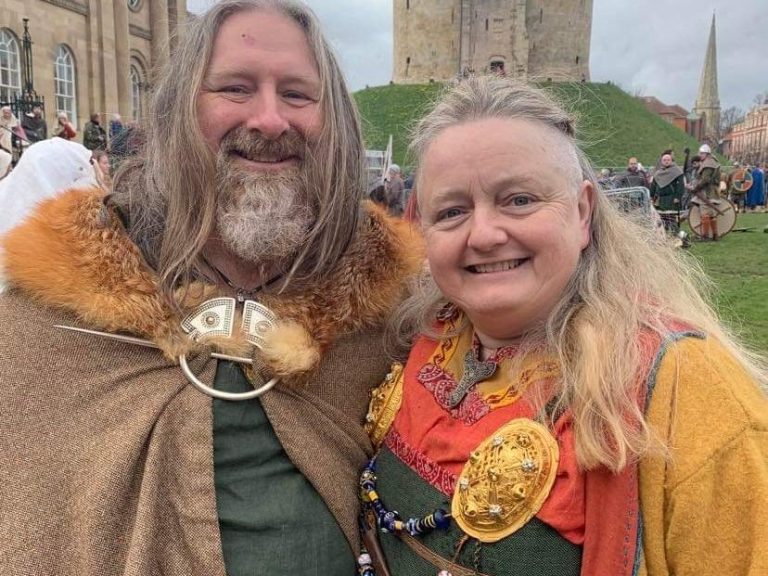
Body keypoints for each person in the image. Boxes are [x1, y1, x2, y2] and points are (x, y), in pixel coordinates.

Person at [0, 1, 421, 574]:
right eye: (235, 88)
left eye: (297, 94)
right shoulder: (48, 320)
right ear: (178, 111)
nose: (270, 120)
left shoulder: (393, 316)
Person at [359, 77, 768, 576]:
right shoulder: (417, 334)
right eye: (452, 211)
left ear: (582, 213)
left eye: (519, 200)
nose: (483, 235)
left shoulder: (690, 390)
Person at [687, 144, 722, 240]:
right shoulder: (711, 162)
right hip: (710, 191)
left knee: (705, 214)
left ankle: (705, 236)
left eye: (702, 153)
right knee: (711, 214)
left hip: (707, 192)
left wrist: (695, 188)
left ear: (707, 154)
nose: (700, 155)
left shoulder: (708, 164)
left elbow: (705, 180)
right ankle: (715, 235)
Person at [649, 152, 685, 233]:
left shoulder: (677, 172)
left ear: (671, 161)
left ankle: (674, 234)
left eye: (668, 160)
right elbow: (653, 185)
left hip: (671, 199)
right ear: (661, 161)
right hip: (660, 199)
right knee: (661, 218)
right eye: (664, 160)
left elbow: (681, 186)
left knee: (671, 218)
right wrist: (651, 196)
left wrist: (677, 197)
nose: (666, 161)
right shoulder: (658, 173)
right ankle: (663, 234)